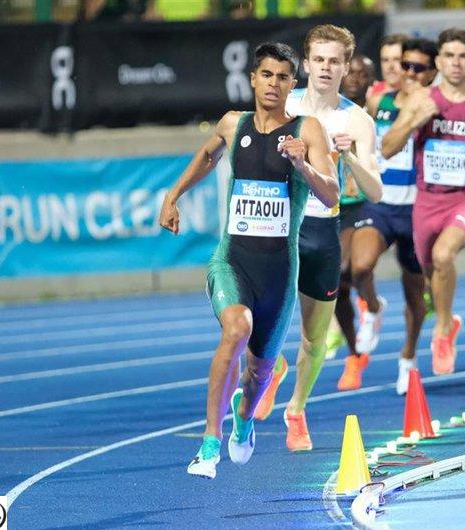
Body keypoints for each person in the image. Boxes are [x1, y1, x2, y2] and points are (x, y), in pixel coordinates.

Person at [158, 42, 339, 479]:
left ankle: (243, 418)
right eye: (267, 75)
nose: (274, 83)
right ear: (253, 79)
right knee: (236, 328)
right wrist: (173, 195)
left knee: (258, 375)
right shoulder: (232, 123)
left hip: (279, 273)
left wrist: (303, 164)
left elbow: (331, 194)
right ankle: (209, 443)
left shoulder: (308, 130)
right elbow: (208, 155)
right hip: (232, 261)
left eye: (283, 77)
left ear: (292, 84)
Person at [252, 24, 382, 450]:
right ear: (306, 64)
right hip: (276, 224)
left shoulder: (356, 120)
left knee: (314, 337)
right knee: (252, 314)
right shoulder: (281, 101)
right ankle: (272, 366)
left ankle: (296, 409)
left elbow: (375, 191)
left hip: (321, 229)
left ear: (346, 67)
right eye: (319, 60)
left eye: (335, 61)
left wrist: (349, 156)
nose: (326, 68)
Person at [382, 28, 465, 375]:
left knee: (444, 256)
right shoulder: (421, 100)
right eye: (449, 56)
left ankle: (443, 330)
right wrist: (415, 120)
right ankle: (447, 319)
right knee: (432, 274)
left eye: (463, 56)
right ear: (439, 62)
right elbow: (387, 148)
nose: (456, 63)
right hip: (426, 206)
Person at [343, 37, 439, 395]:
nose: (403, 71)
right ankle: (372, 306)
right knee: (359, 267)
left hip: (416, 210)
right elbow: (362, 141)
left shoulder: (434, 104)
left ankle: (408, 358)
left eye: (411, 65)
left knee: (415, 294)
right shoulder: (377, 101)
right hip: (381, 204)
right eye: (399, 63)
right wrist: (354, 170)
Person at [318, 53, 378, 369]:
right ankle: (355, 354)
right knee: (336, 283)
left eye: (362, 74)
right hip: (335, 205)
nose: (354, 78)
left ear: (372, 80)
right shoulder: (328, 113)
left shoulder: (375, 115)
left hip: (368, 203)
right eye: (350, 72)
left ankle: (372, 306)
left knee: (356, 269)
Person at [367, 34, 407, 98]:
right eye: (385, 60)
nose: (390, 66)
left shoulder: (420, 95)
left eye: (397, 59)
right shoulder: (370, 92)